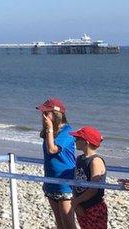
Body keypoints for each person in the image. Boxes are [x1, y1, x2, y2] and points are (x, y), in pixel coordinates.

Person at [38, 97, 76, 229]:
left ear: (55, 115)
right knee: (59, 222)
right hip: (51, 181)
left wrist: (48, 128)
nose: (43, 117)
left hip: (65, 182)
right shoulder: (51, 132)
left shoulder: (67, 132)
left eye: (46, 113)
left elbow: (52, 149)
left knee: (68, 222)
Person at [71, 126, 108, 229]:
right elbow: (76, 182)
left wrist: (76, 202)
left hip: (94, 206)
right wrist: (77, 204)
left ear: (86, 142)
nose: (75, 141)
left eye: (77, 139)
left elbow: (93, 189)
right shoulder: (79, 158)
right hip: (80, 204)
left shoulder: (95, 161)